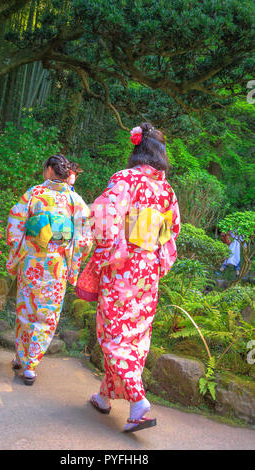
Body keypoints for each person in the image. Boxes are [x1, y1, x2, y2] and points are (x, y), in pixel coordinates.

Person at [88, 123, 180, 432]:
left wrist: (108, 255)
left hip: (124, 268)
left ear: (136, 150)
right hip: (149, 270)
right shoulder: (166, 189)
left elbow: (104, 216)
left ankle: (138, 401)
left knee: (113, 332)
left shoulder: (125, 179)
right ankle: (104, 397)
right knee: (135, 335)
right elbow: (169, 233)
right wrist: (156, 261)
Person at [6, 154, 92, 385]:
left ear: (49, 171)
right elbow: (84, 239)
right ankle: (30, 366)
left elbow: (15, 223)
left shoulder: (33, 194)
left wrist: (22, 247)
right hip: (57, 264)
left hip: (32, 261)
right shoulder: (75, 200)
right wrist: (72, 257)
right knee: (47, 313)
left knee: (26, 309)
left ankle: (21, 357)